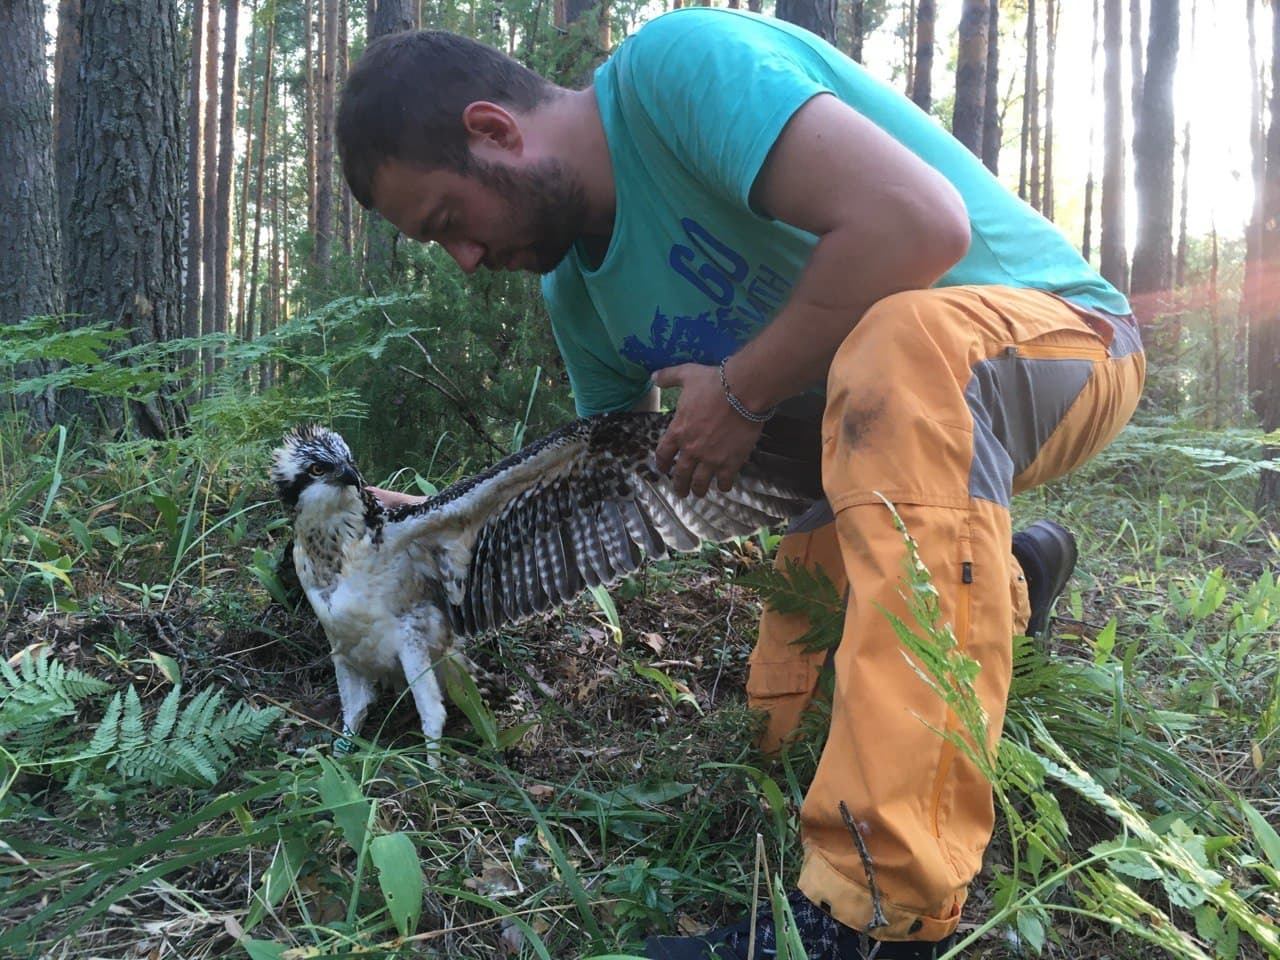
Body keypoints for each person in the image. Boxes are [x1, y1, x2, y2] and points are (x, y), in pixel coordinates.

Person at [336, 9, 1145, 959]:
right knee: (780, 710)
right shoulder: (576, 293)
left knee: (895, 346)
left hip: (1054, 338)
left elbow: (916, 225)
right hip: (866, 430)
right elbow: (617, 467)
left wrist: (745, 388)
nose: (467, 261)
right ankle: (1004, 576)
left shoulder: (676, 73)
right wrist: (440, 525)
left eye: (451, 224)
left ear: (494, 131)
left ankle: (880, 914)